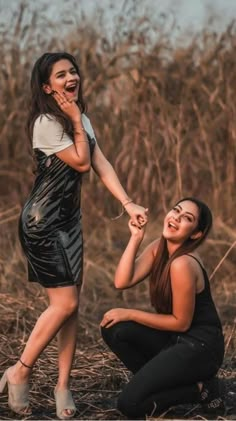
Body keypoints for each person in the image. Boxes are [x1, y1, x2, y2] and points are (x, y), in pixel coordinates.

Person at [0, 52, 148, 419]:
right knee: (62, 304)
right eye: (61, 74)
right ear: (47, 86)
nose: (72, 77)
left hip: (70, 223)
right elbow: (81, 161)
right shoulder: (47, 122)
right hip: (42, 222)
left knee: (72, 307)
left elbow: (100, 163)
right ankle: (19, 370)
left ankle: (63, 385)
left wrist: (128, 203)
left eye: (73, 70)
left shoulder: (78, 118)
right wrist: (74, 121)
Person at [101, 197, 225, 419]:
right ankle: (160, 387)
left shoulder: (183, 264)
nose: (176, 217)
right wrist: (136, 237)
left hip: (200, 347)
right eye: (175, 210)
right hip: (175, 340)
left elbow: (181, 322)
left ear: (195, 233)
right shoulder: (158, 248)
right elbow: (121, 281)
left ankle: (200, 390)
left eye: (187, 218)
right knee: (114, 328)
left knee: (130, 404)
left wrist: (129, 312)